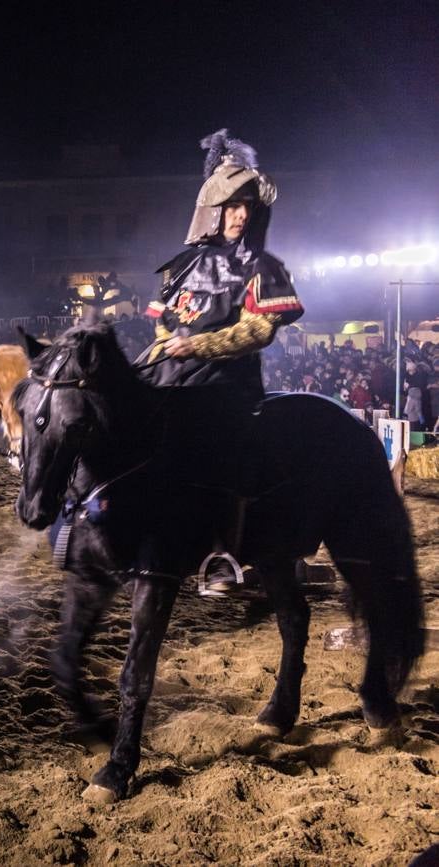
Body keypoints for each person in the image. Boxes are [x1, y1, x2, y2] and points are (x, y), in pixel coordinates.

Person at [145, 129, 304, 595]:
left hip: (226, 382)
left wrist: (198, 346)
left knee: (216, 444)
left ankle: (222, 553)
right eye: (231, 206)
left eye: (246, 207)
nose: (239, 215)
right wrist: (169, 341)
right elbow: (163, 322)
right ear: (212, 210)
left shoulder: (264, 267)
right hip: (171, 369)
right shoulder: (183, 266)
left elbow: (258, 330)